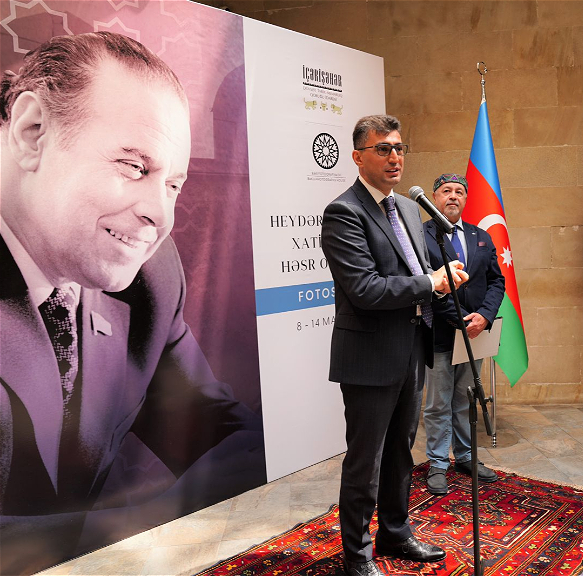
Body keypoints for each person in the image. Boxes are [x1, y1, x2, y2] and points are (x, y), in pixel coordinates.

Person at [0, 32, 264, 575]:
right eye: (135, 167)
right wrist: (149, 523)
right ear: (32, 132)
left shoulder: (150, 277)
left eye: (173, 184)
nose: (160, 216)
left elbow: (217, 431)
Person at [320, 115, 468, 576]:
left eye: (399, 148)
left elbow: (417, 275)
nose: (394, 157)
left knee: (402, 450)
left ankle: (395, 532)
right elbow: (365, 289)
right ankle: (357, 555)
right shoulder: (344, 212)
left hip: (411, 349)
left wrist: (441, 285)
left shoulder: (406, 207)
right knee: (366, 460)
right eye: (382, 149)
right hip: (369, 356)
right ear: (358, 156)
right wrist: (431, 282)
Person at [423, 174, 505, 494]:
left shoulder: (480, 235)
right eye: (446, 191)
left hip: (475, 334)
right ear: (434, 197)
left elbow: (496, 281)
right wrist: (458, 318)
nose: (453, 196)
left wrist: (484, 316)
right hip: (441, 333)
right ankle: (437, 463)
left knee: (465, 398)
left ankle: (466, 457)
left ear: (466, 199)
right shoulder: (421, 236)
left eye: (459, 191)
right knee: (438, 402)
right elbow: (425, 284)